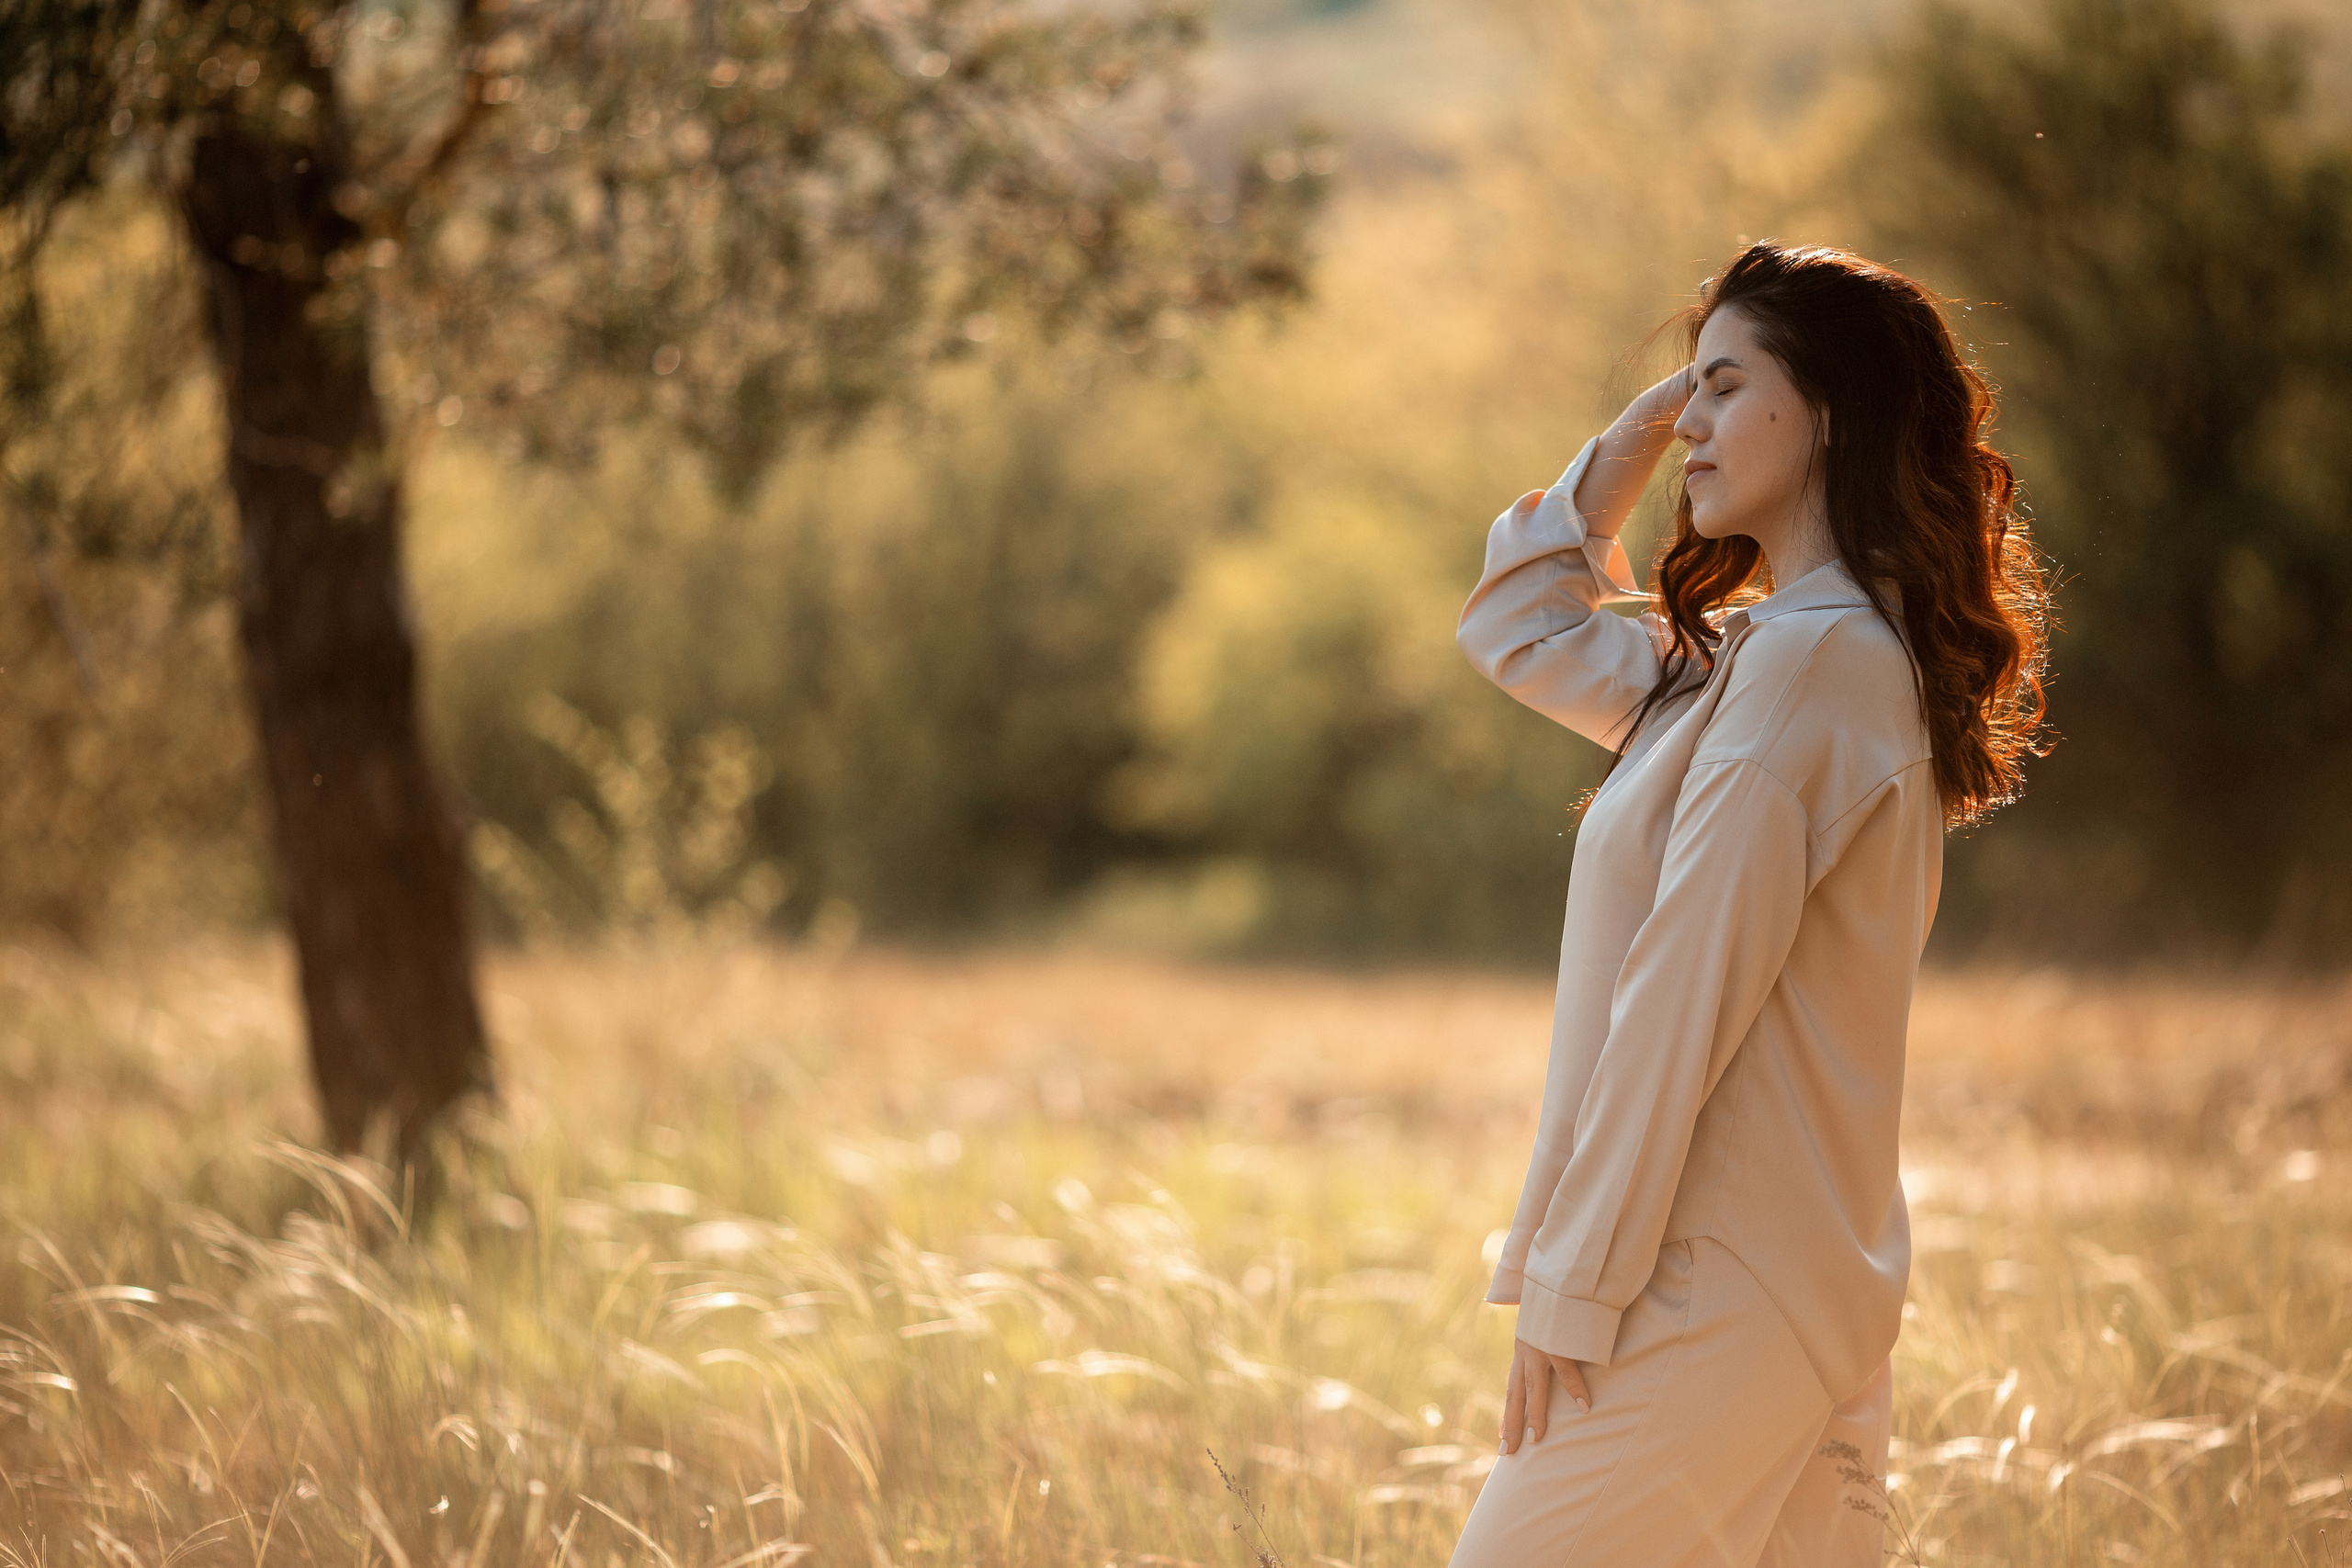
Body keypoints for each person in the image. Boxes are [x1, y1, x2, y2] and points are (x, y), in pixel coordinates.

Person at [1447, 242, 2050, 1567]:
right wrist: (1642, 432)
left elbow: (1681, 993)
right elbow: (1520, 631)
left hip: (1706, 1285)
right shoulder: (1759, 660)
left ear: (1826, 410)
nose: (1696, 426)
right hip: (1782, 1276)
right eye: (1688, 397)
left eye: (1726, 389)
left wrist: (1570, 1287)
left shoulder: (1810, 667)